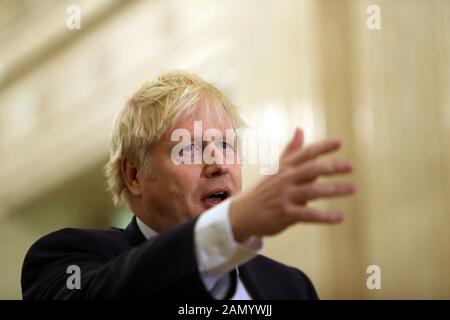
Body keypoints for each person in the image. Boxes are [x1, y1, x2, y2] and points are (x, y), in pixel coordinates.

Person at [21, 72, 355, 299]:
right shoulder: (66, 257)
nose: (219, 164)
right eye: (190, 148)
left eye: (226, 145)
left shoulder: (291, 287)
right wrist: (228, 226)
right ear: (135, 175)